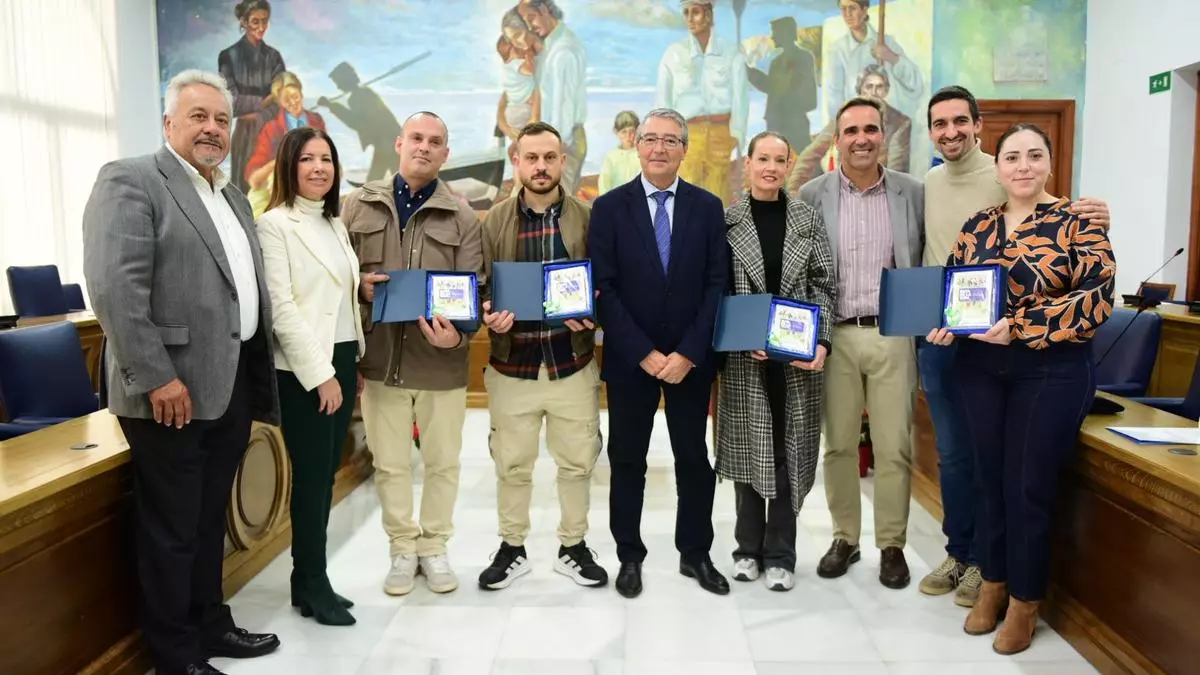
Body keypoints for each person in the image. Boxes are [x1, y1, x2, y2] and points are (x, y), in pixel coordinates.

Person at [82, 69, 280, 675]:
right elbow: (115, 290)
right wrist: (157, 376)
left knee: (208, 518)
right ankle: (174, 654)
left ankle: (211, 625)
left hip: (227, 386)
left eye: (221, 119)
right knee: (171, 528)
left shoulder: (232, 196)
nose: (212, 129)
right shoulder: (132, 179)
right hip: (170, 392)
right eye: (199, 117)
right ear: (169, 122)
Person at [917, 85, 1111, 607]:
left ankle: (1020, 597)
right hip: (978, 364)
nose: (1023, 167)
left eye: (1034, 156)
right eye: (1014, 159)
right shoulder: (975, 222)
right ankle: (983, 573)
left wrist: (1019, 326)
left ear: (1050, 163)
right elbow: (955, 286)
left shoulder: (1077, 221)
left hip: (1048, 370)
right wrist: (943, 321)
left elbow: (1096, 298)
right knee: (976, 468)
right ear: (999, 169)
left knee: (1025, 484)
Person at [588, 108, 730, 598]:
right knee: (628, 460)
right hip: (632, 361)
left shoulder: (708, 208)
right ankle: (629, 555)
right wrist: (644, 353)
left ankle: (696, 553)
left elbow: (717, 285)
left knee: (693, 459)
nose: (660, 148)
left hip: (690, 361)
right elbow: (604, 288)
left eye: (671, 140)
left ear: (684, 149)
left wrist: (688, 352)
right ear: (637, 146)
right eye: (651, 139)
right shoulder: (609, 208)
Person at [343, 111, 484, 597]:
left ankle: (434, 547)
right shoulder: (357, 206)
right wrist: (359, 289)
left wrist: (457, 337)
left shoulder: (462, 217)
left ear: (445, 153)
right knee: (390, 464)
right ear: (399, 143)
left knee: (443, 464)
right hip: (380, 361)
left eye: (435, 141)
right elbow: (338, 278)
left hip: (439, 364)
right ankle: (402, 549)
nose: (424, 147)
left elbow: (474, 289)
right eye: (417, 138)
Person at [798, 96, 923, 590]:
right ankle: (844, 538)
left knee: (894, 447)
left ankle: (891, 545)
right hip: (836, 337)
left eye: (871, 129)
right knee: (839, 445)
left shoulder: (912, 192)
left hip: (893, 334)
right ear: (837, 140)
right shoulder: (812, 194)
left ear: (882, 136)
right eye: (851, 131)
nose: (862, 139)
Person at [476, 121, 606, 590]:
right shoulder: (493, 221)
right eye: (531, 157)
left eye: (550, 157)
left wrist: (594, 313)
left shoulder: (588, 218)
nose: (541, 166)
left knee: (577, 463)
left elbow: (606, 284)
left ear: (562, 162)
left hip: (572, 363)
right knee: (512, 465)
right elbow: (481, 286)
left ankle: (574, 546)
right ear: (517, 161)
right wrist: (488, 312)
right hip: (513, 365)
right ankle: (512, 547)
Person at [717, 131, 835, 592]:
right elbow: (716, 290)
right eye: (762, 159)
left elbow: (824, 283)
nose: (770, 168)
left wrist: (820, 341)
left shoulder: (807, 219)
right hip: (745, 360)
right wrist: (739, 334)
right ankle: (747, 549)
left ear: (789, 166)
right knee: (748, 454)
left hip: (795, 360)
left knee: (789, 453)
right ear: (747, 165)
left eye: (779, 160)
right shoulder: (727, 222)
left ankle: (782, 553)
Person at [256, 127, 365, 626]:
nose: (319, 168)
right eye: (307, 159)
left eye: (326, 159)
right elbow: (281, 310)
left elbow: (339, 298)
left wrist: (353, 361)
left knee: (325, 478)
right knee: (312, 478)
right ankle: (314, 581)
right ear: (288, 166)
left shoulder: (333, 222)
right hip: (304, 368)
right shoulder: (274, 225)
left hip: (341, 359)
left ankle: (307, 581)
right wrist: (321, 375)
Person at [655, 0, 749, 204]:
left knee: (719, 198)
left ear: (709, 15)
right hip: (688, 135)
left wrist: (737, 136)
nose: (690, 18)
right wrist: (667, 139)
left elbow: (740, 99)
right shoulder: (673, 54)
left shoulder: (730, 53)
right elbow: (663, 103)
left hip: (721, 133)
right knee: (686, 197)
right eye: (686, 12)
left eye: (695, 12)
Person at [787, 64, 911, 191]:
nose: (874, 92)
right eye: (869, 86)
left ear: (886, 90)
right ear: (860, 89)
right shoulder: (844, 115)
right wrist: (794, 190)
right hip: (842, 189)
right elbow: (811, 154)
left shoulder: (899, 123)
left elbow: (896, 170)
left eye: (879, 87)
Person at [518, 0, 588, 196]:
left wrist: (553, 150)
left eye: (531, 18)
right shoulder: (552, 45)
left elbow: (564, 107)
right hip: (558, 140)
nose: (530, 25)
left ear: (544, 9)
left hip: (564, 141)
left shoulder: (564, 50)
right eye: (526, 21)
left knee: (558, 203)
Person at [217, 0, 285, 194]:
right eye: (255, 21)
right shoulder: (228, 56)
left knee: (275, 192)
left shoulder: (274, 57)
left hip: (272, 135)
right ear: (243, 21)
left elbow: (281, 98)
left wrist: (259, 109)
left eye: (265, 21)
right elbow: (231, 101)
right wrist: (265, 101)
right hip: (245, 136)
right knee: (244, 192)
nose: (261, 27)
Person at [825, 0, 923, 123]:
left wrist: (891, 57)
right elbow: (834, 94)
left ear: (864, 9)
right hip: (855, 122)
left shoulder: (886, 42)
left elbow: (915, 83)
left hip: (887, 122)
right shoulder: (838, 49)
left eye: (852, 8)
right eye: (843, 8)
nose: (847, 14)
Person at [245, 71, 327, 219]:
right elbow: (254, 178)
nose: (293, 103)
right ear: (279, 102)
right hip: (277, 188)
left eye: (295, 96)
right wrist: (276, 164)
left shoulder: (316, 121)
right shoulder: (272, 129)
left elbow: (326, 156)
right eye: (286, 100)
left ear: (301, 93)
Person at [318, 62, 404, 183]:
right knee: (380, 173)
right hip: (388, 139)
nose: (338, 87)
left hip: (387, 141)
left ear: (345, 80)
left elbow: (356, 122)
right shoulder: (364, 93)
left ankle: (371, 187)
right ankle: (371, 186)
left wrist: (331, 105)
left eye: (338, 83)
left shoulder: (359, 96)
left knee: (393, 175)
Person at [746, 16, 818, 148]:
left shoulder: (803, 57)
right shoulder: (776, 62)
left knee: (801, 156)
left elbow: (788, 87)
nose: (772, 37)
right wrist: (748, 72)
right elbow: (770, 86)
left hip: (793, 123)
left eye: (775, 32)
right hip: (776, 123)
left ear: (786, 33)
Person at [496, 8, 542, 147]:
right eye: (512, 40)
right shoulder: (519, 64)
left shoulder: (544, 56)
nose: (517, 42)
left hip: (522, 117)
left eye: (518, 35)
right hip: (521, 116)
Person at [597, 110, 641, 195]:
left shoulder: (642, 154)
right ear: (616, 132)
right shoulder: (611, 156)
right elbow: (604, 183)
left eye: (632, 131)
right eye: (624, 132)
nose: (628, 136)